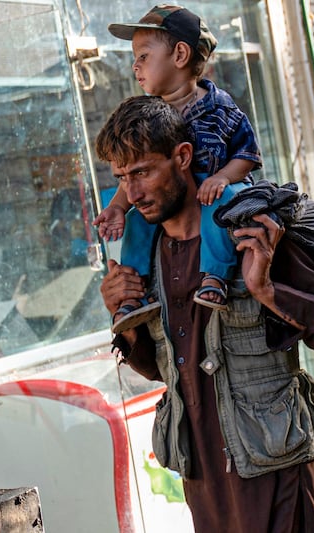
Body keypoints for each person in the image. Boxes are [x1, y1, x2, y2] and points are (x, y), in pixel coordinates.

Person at [97, 95, 314, 531]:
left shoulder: (251, 232)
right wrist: (123, 323)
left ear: (182, 157)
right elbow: (164, 370)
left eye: (143, 171)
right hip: (202, 479)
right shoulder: (146, 256)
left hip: (271, 467)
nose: (133, 193)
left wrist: (267, 290)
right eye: (123, 178)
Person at [93, 4, 262, 334]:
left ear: (180, 54)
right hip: (179, 206)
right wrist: (116, 207)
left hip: (221, 193)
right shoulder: (147, 118)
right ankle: (134, 292)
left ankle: (214, 275)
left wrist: (222, 178)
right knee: (136, 221)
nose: (134, 65)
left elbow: (248, 154)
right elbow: (132, 172)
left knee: (222, 203)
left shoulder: (220, 107)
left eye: (143, 56)